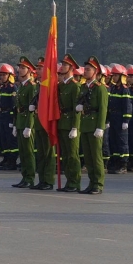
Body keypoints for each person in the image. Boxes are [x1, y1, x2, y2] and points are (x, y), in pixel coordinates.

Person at [77, 56, 109, 194]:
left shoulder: (100, 88)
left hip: (95, 125)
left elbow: (103, 108)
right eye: (85, 69)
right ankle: (91, 183)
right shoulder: (84, 87)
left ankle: (98, 184)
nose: (85, 71)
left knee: (96, 157)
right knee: (88, 158)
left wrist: (100, 127)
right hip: (85, 125)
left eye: (88, 69)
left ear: (95, 72)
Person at [12, 57, 39, 188]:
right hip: (20, 121)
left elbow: (31, 109)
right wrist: (16, 125)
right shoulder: (22, 86)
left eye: (23, 68)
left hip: (27, 123)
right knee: (22, 152)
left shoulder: (31, 87)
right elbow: (18, 108)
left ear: (29, 71)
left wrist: (29, 126)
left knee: (28, 152)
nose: (20, 70)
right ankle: (24, 176)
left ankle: (30, 178)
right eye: (19, 67)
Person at [57, 55, 82, 191]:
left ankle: (75, 182)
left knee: (73, 156)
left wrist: (75, 127)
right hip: (62, 123)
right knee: (65, 156)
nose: (62, 66)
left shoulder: (75, 86)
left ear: (71, 68)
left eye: (65, 65)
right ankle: (68, 181)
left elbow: (76, 109)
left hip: (70, 124)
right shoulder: (61, 86)